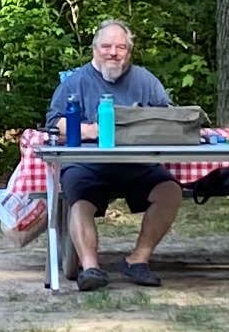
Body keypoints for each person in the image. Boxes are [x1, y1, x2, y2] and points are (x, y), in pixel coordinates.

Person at [44, 17, 183, 293]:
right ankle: (90, 268)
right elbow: (54, 124)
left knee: (170, 191)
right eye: (106, 46)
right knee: (79, 200)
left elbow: (169, 117)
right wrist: (92, 130)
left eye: (120, 47)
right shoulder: (75, 81)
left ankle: (137, 260)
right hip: (88, 164)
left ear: (128, 52)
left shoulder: (145, 80)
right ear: (95, 48)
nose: (113, 53)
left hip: (137, 164)